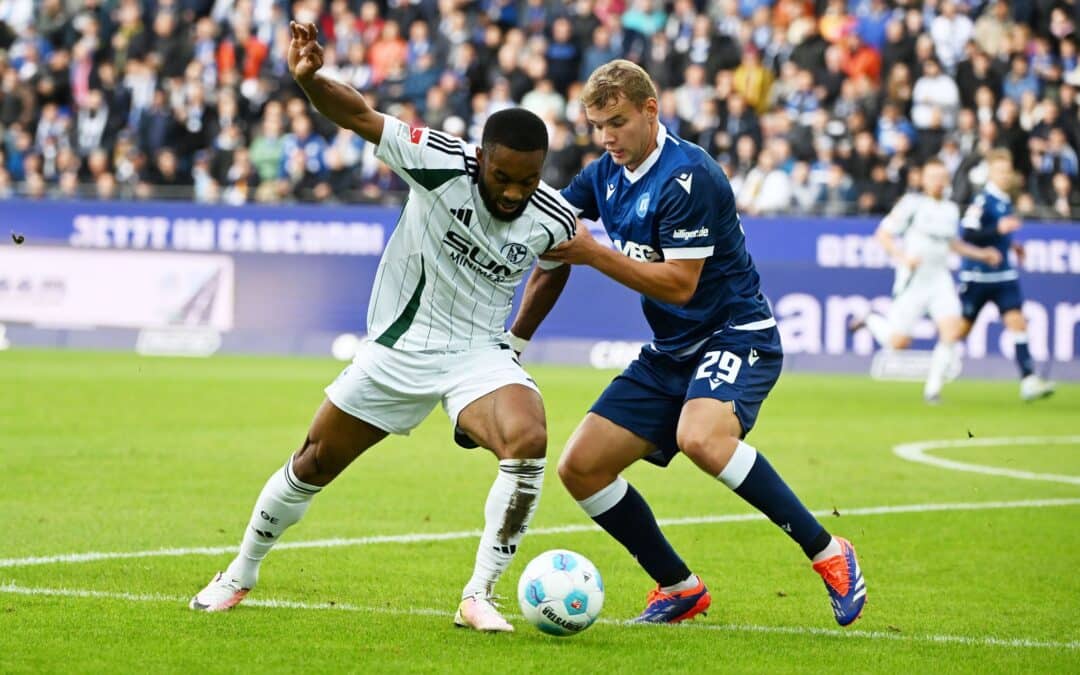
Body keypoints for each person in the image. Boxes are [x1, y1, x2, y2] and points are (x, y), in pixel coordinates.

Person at [189, 22, 578, 634]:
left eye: (527, 181)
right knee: (313, 461)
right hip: (400, 347)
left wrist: (518, 340)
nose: (513, 192)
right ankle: (240, 572)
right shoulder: (440, 162)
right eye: (502, 177)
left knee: (527, 439)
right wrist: (311, 79)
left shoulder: (552, 216)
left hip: (478, 354)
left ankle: (479, 594)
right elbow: (361, 116)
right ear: (482, 158)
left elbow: (556, 266)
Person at [522, 60, 867, 626]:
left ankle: (829, 552)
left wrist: (593, 252)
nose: (607, 138)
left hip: (735, 333)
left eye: (617, 122)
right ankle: (679, 587)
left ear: (650, 110)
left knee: (701, 437)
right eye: (596, 126)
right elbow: (549, 215)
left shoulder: (690, 176)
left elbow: (680, 285)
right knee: (580, 467)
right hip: (672, 351)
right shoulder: (605, 172)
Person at [850, 159, 1002, 403]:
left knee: (951, 332)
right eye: (932, 176)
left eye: (942, 176)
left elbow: (953, 244)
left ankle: (932, 390)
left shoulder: (951, 210)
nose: (937, 181)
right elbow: (883, 234)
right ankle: (870, 319)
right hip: (914, 280)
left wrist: (982, 254)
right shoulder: (912, 204)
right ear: (922, 179)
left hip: (939, 279)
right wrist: (903, 257)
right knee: (897, 342)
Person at [955, 149, 1056, 401]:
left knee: (1018, 322)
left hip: (1002, 276)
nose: (1004, 176)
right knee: (959, 331)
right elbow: (968, 234)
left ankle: (1028, 380)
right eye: (999, 171)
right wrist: (997, 229)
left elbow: (998, 235)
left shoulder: (1004, 200)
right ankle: (935, 367)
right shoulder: (982, 201)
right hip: (979, 277)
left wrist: (1012, 245)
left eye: (1007, 171)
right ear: (990, 172)